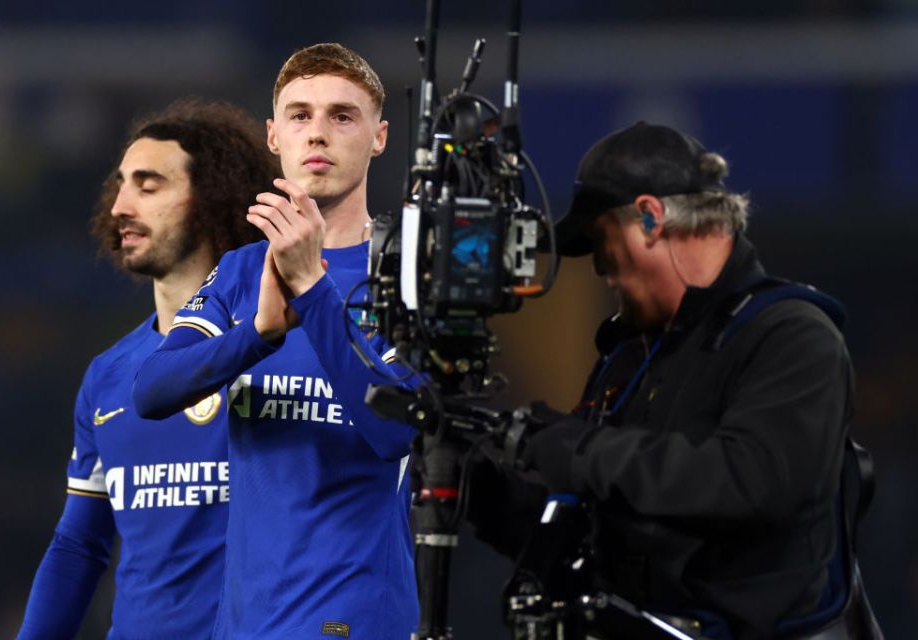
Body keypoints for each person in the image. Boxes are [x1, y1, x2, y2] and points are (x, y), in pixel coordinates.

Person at [471, 122, 882, 639]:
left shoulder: (792, 335)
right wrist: (481, 488)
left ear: (649, 216)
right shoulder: (633, 352)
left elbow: (751, 481)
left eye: (601, 239)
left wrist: (578, 451)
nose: (599, 266)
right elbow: (596, 529)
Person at [133, 43, 419, 639]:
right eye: (299, 115)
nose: (317, 134)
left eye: (342, 116)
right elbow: (152, 389)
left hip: (356, 620)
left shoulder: (407, 275)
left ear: (379, 137)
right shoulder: (241, 273)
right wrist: (257, 336)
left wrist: (313, 288)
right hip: (244, 624)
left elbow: (395, 430)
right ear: (273, 136)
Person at [18, 98, 280, 639]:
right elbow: (79, 544)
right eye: (121, 184)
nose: (119, 205)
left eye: (148, 184)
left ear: (212, 200)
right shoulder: (108, 375)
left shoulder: (280, 345)